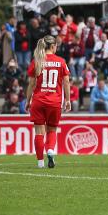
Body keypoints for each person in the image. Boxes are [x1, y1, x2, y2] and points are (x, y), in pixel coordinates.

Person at [25, 36, 72, 169]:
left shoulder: (37, 61)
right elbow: (66, 82)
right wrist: (67, 100)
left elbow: (31, 84)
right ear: (52, 47)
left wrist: (28, 101)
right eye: (56, 46)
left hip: (38, 101)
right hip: (54, 102)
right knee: (52, 130)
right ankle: (50, 150)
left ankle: (40, 162)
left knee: (39, 132)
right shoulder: (61, 61)